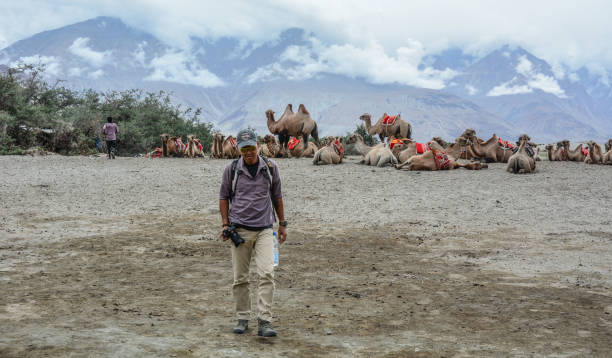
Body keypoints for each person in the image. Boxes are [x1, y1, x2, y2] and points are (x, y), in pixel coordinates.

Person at [218, 128, 287, 337]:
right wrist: (225, 224)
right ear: (239, 149)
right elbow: (223, 197)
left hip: (266, 229)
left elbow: (277, 195)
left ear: (258, 146)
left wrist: (282, 224)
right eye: (244, 148)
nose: (248, 151)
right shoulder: (231, 170)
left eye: (251, 147)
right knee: (240, 278)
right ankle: (242, 318)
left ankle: (265, 320)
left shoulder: (270, 167)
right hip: (239, 230)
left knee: (267, 273)